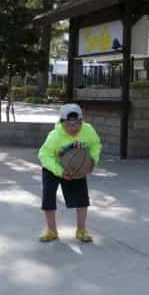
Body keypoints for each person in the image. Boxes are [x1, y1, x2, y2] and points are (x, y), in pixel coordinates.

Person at [38, 103, 102, 243]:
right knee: (48, 199)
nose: (74, 128)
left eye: (77, 124)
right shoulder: (54, 136)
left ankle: (81, 230)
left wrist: (92, 161)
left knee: (82, 199)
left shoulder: (88, 130)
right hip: (53, 167)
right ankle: (51, 231)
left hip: (76, 167)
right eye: (69, 124)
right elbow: (43, 155)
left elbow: (95, 145)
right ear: (62, 123)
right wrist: (60, 172)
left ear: (81, 121)